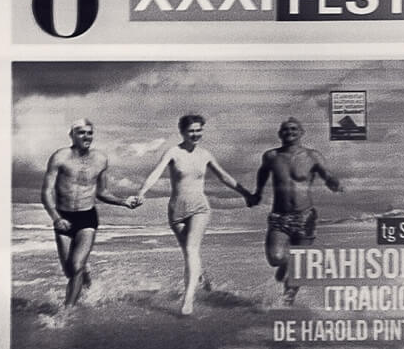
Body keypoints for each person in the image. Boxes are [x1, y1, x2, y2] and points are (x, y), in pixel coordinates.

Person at [136, 114, 255, 316]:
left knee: (191, 250)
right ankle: (201, 276)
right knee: (190, 254)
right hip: (176, 210)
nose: (195, 134)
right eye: (191, 130)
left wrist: (245, 193)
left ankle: (188, 299)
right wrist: (142, 192)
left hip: (199, 207)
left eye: (198, 130)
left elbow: (223, 176)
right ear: (182, 132)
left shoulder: (205, 155)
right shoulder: (173, 152)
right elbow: (156, 172)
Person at [41, 120, 141, 308]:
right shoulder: (60, 157)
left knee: (76, 265)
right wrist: (56, 218)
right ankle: (87, 283)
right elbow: (46, 192)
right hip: (63, 218)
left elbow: (101, 192)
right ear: (71, 135)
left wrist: (124, 202)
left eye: (89, 133)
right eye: (81, 133)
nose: (86, 136)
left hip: (87, 218)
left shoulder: (100, 159)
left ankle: (67, 311)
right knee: (70, 271)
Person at [249, 117, 342, 303]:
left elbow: (327, 174)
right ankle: (288, 264)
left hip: (305, 216)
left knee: (298, 268)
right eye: (285, 129)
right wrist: (257, 193)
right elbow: (262, 173)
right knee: (275, 258)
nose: (289, 132)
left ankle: (286, 302)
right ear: (279, 134)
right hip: (279, 216)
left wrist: (333, 183)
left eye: (293, 129)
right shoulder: (271, 156)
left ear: (301, 132)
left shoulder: (312, 156)